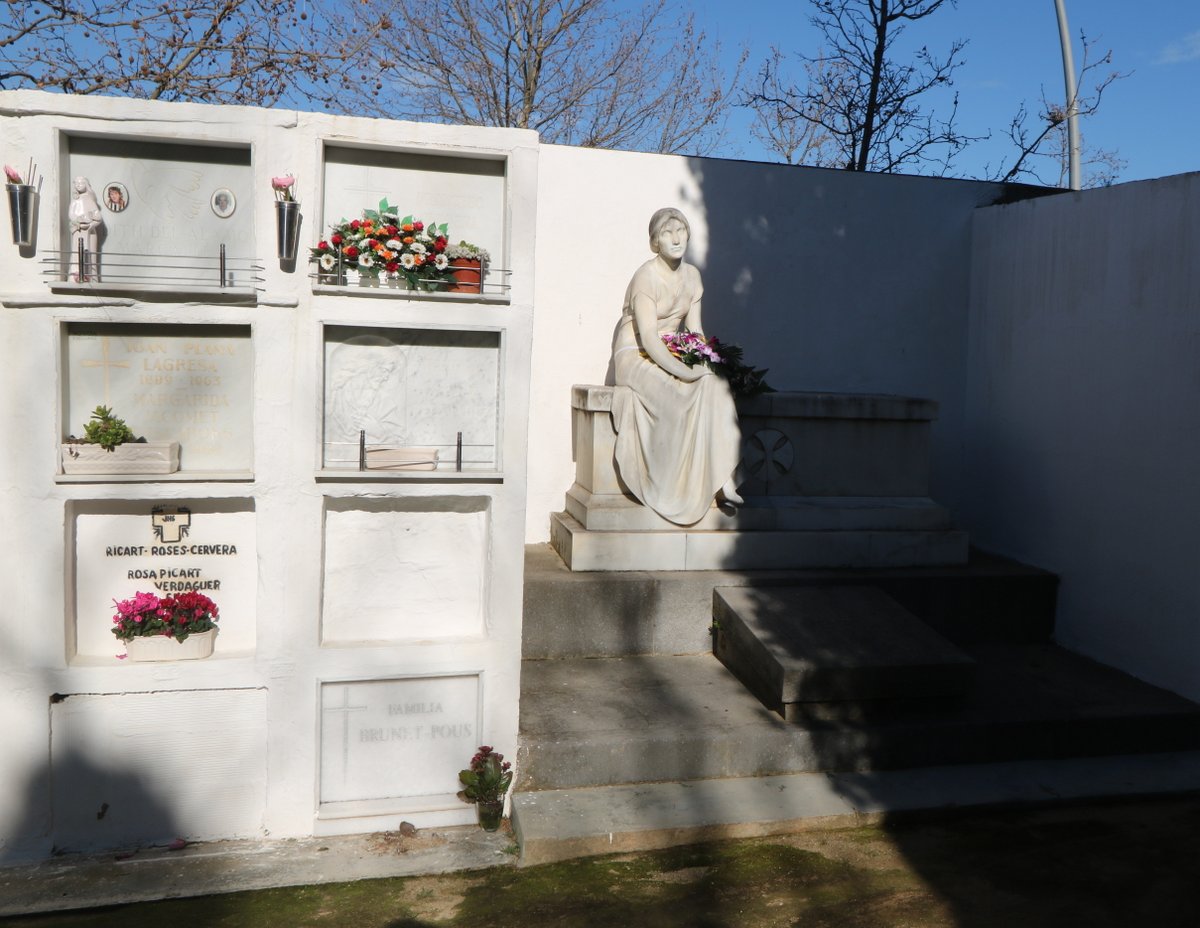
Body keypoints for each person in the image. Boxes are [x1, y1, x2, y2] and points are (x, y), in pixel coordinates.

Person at [609, 207, 742, 525]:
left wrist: (708, 362)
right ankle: (669, 485)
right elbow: (650, 338)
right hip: (636, 352)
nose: (675, 238)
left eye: (680, 230)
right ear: (655, 241)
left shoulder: (693, 277)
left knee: (716, 386)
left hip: (676, 349)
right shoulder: (646, 276)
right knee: (677, 394)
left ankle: (722, 477)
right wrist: (685, 372)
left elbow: (694, 330)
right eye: (667, 233)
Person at [68, 176, 103, 282]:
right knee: (76, 253)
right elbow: (71, 214)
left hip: (89, 232)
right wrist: (77, 221)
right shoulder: (75, 200)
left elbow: (98, 218)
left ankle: (90, 277)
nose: (78, 185)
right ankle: (75, 276)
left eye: (81, 183)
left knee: (89, 254)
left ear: (86, 185)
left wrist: (90, 225)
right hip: (78, 231)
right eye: (76, 183)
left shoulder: (89, 199)